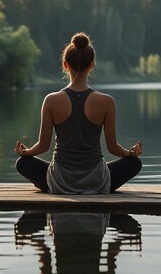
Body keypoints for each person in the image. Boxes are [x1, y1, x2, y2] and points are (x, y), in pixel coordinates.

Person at [14, 32, 143, 194]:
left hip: (59, 181)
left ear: (65, 65)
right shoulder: (106, 102)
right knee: (134, 163)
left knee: (23, 163)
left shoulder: (51, 100)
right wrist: (130, 153)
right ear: (92, 65)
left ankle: (53, 185)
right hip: (97, 181)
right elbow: (113, 148)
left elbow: (43, 146)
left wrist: (25, 152)